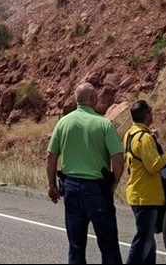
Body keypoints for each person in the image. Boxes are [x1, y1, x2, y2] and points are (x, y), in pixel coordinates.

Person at [46, 82, 124, 265]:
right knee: (109, 246)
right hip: (97, 189)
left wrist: (51, 185)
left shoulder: (63, 123)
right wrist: (114, 182)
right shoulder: (104, 124)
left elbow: (51, 156)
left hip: (71, 188)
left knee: (76, 247)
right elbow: (118, 158)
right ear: (93, 98)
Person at [123, 100, 166, 264]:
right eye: (150, 112)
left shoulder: (130, 134)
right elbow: (154, 166)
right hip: (146, 195)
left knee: (148, 239)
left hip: (137, 191)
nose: (152, 115)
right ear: (146, 116)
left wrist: (152, 139)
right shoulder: (144, 138)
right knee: (143, 240)